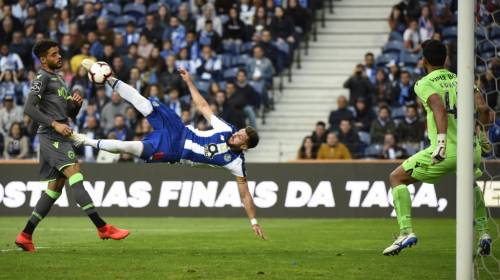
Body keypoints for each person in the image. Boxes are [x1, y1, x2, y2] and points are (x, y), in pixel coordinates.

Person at [72, 60, 266, 240]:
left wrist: (253, 221)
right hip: (178, 129)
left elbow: (245, 195)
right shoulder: (226, 129)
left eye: (240, 137)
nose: (236, 134)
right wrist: (190, 82)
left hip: (173, 151)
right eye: (238, 132)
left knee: (130, 147)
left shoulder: (236, 163)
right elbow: (203, 106)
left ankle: (84, 141)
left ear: (244, 146)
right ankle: (108, 78)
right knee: (143, 103)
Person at [15, 40, 128, 252]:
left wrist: (75, 105)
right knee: (75, 173)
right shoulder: (42, 78)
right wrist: (54, 124)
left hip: (59, 134)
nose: (59, 56)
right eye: (54, 54)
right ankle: (102, 227)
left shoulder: (58, 78)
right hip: (51, 136)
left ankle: (25, 235)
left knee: (54, 190)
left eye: (59, 53)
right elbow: (29, 107)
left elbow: (67, 114)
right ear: (43, 59)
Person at [382, 40, 493, 256]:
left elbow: (439, 109)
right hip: (472, 149)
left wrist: (440, 143)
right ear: (446, 59)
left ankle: (406, 232)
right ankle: (484, 233)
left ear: (424, 60)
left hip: (448, 151)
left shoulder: (424, 83)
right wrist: (484, 133)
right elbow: (485, 110)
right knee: (469, 183)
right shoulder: (464, 80)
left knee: (397, 178)